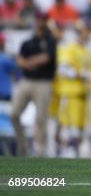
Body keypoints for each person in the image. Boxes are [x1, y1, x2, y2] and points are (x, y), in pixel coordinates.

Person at [11, 13, 57, 156]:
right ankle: (23, 147)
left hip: (43, 82)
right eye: (39, 19)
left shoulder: (50, 40)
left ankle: (41, 151)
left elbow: (46, 58)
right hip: (27, 81)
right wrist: (27, 63)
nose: (40, 22)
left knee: (41, 118)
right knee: (14, 114)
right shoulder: (29, 41)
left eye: (43, 19)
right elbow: (19, 60)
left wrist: (28, 62)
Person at [56, 22, 91, 157]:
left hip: (83, 94)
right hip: (70, 93)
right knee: (68, 125)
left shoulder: (86, 51)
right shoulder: (70, 49)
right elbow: (64, 69)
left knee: (80, 127)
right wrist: (82, 74)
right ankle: (66, 151)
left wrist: (89, 78)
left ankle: (74, 151)